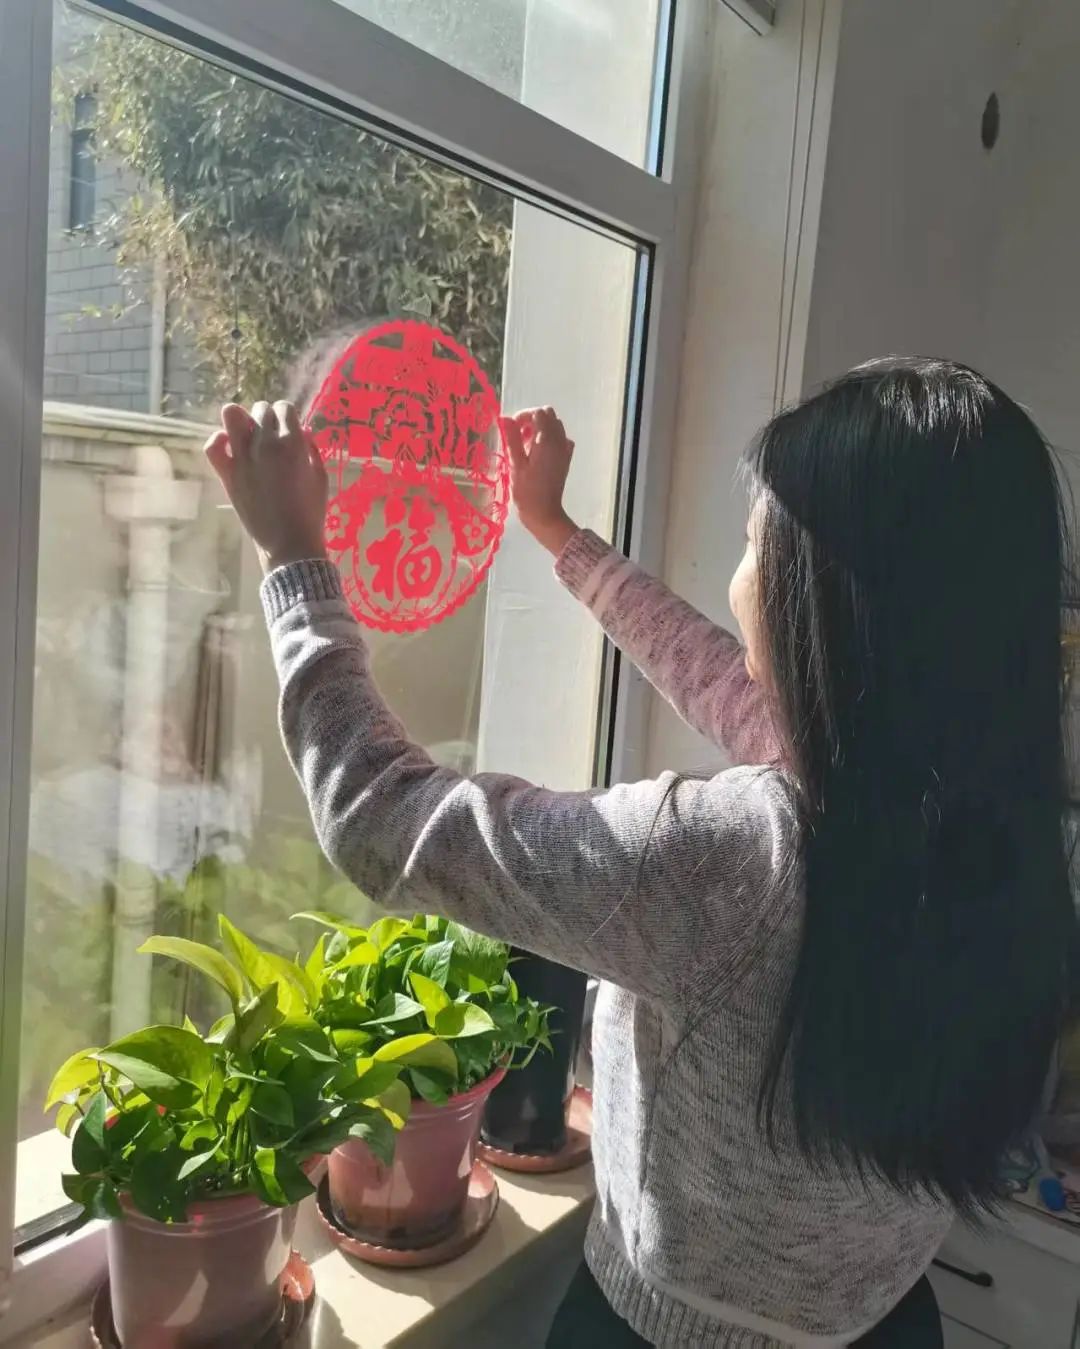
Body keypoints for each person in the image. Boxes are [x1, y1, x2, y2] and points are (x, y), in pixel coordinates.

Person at [204, 356, 1074, 1348]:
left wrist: (293, 559)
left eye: (752, 543)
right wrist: (558, 534)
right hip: (888, 1319)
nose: (738, 576)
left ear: (824, 606)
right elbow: (726, 684)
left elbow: (383, 818)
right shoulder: (980, 822)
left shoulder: (729, 863)